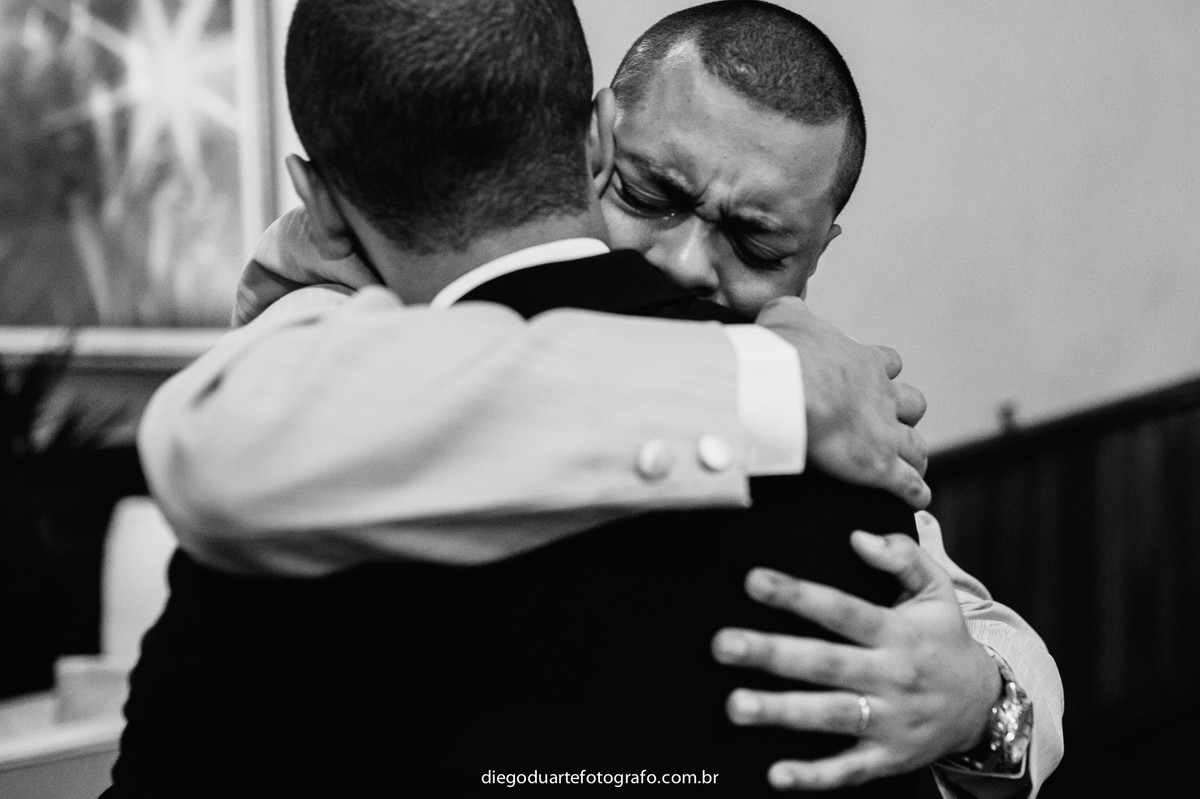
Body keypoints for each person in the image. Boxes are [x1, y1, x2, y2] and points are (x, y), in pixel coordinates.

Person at [126, 1, 1062, 796]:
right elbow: (233, 427)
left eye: (760, 244)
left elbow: (979, 631)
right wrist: (766, 389)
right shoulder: (342, 317)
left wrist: (986, 704)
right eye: (651, 193)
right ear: (595, 138)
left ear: (821, 248)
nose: (685, 263)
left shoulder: (842, 418)